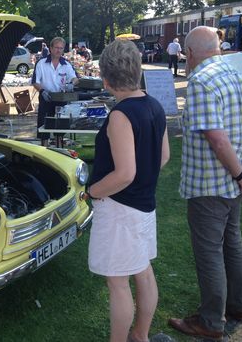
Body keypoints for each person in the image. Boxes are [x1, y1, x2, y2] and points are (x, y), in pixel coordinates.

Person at [168, 26, 242, 341]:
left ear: (191, 53)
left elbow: (217, 138)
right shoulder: (237, 77)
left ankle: (211, 322)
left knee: (210, 251)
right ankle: (239, 306)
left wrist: (241, 174)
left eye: (185, 53)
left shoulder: (201, 82)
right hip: (234, 184)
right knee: (232, 242)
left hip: (209, 185)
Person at [87, 39, 170, 342]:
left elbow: (124, 174)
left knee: (118, 282)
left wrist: (92, 191)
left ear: (106, 79)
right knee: (143, 270)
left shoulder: (121, 115)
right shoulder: (154, 105)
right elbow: (163, 157)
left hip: (121, 208)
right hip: (144, 205)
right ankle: (141, 335)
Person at [32, 37, 79, 147]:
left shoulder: (66, 64)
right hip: (46, 98)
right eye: (56, 47)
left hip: (61, 99)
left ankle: (59, 150)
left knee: (60, 128)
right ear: (51, 48)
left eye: (61, 48)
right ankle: (44, 152)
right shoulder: (41, 63)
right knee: (44, 128)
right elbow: (35, 82)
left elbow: (75, 78)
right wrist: (42, 91)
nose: (58, 50)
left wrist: (72, 83)